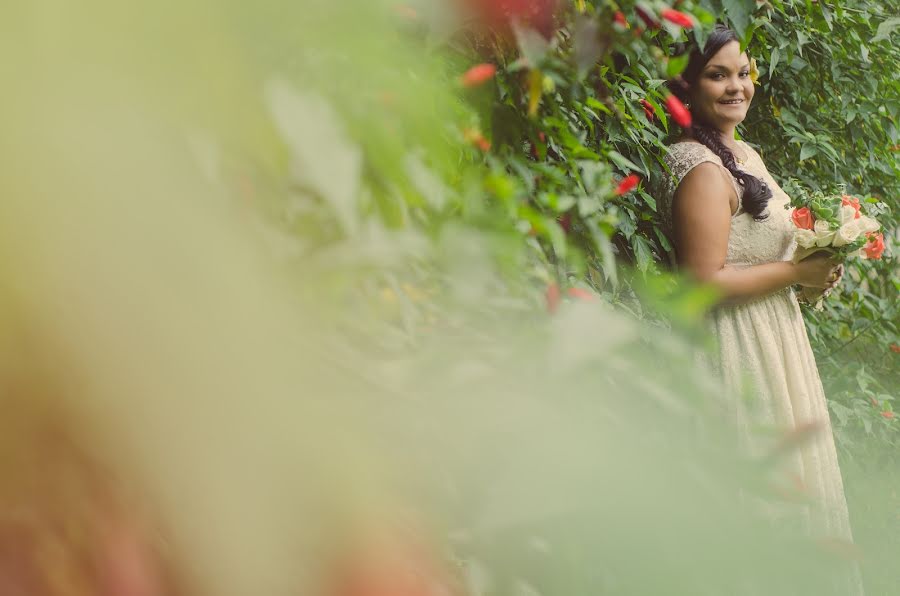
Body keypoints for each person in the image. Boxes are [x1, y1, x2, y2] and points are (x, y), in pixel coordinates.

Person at [656, 24, 864, 594]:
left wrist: (814, 269)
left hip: (775, 338)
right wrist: (796, 272)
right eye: (717, 74)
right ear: (688, 85)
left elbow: (756, 258)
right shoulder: (699, 167)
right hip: (734, 346)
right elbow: (702, 280)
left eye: (743, 73)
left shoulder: (743, 153)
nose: (736, 87)